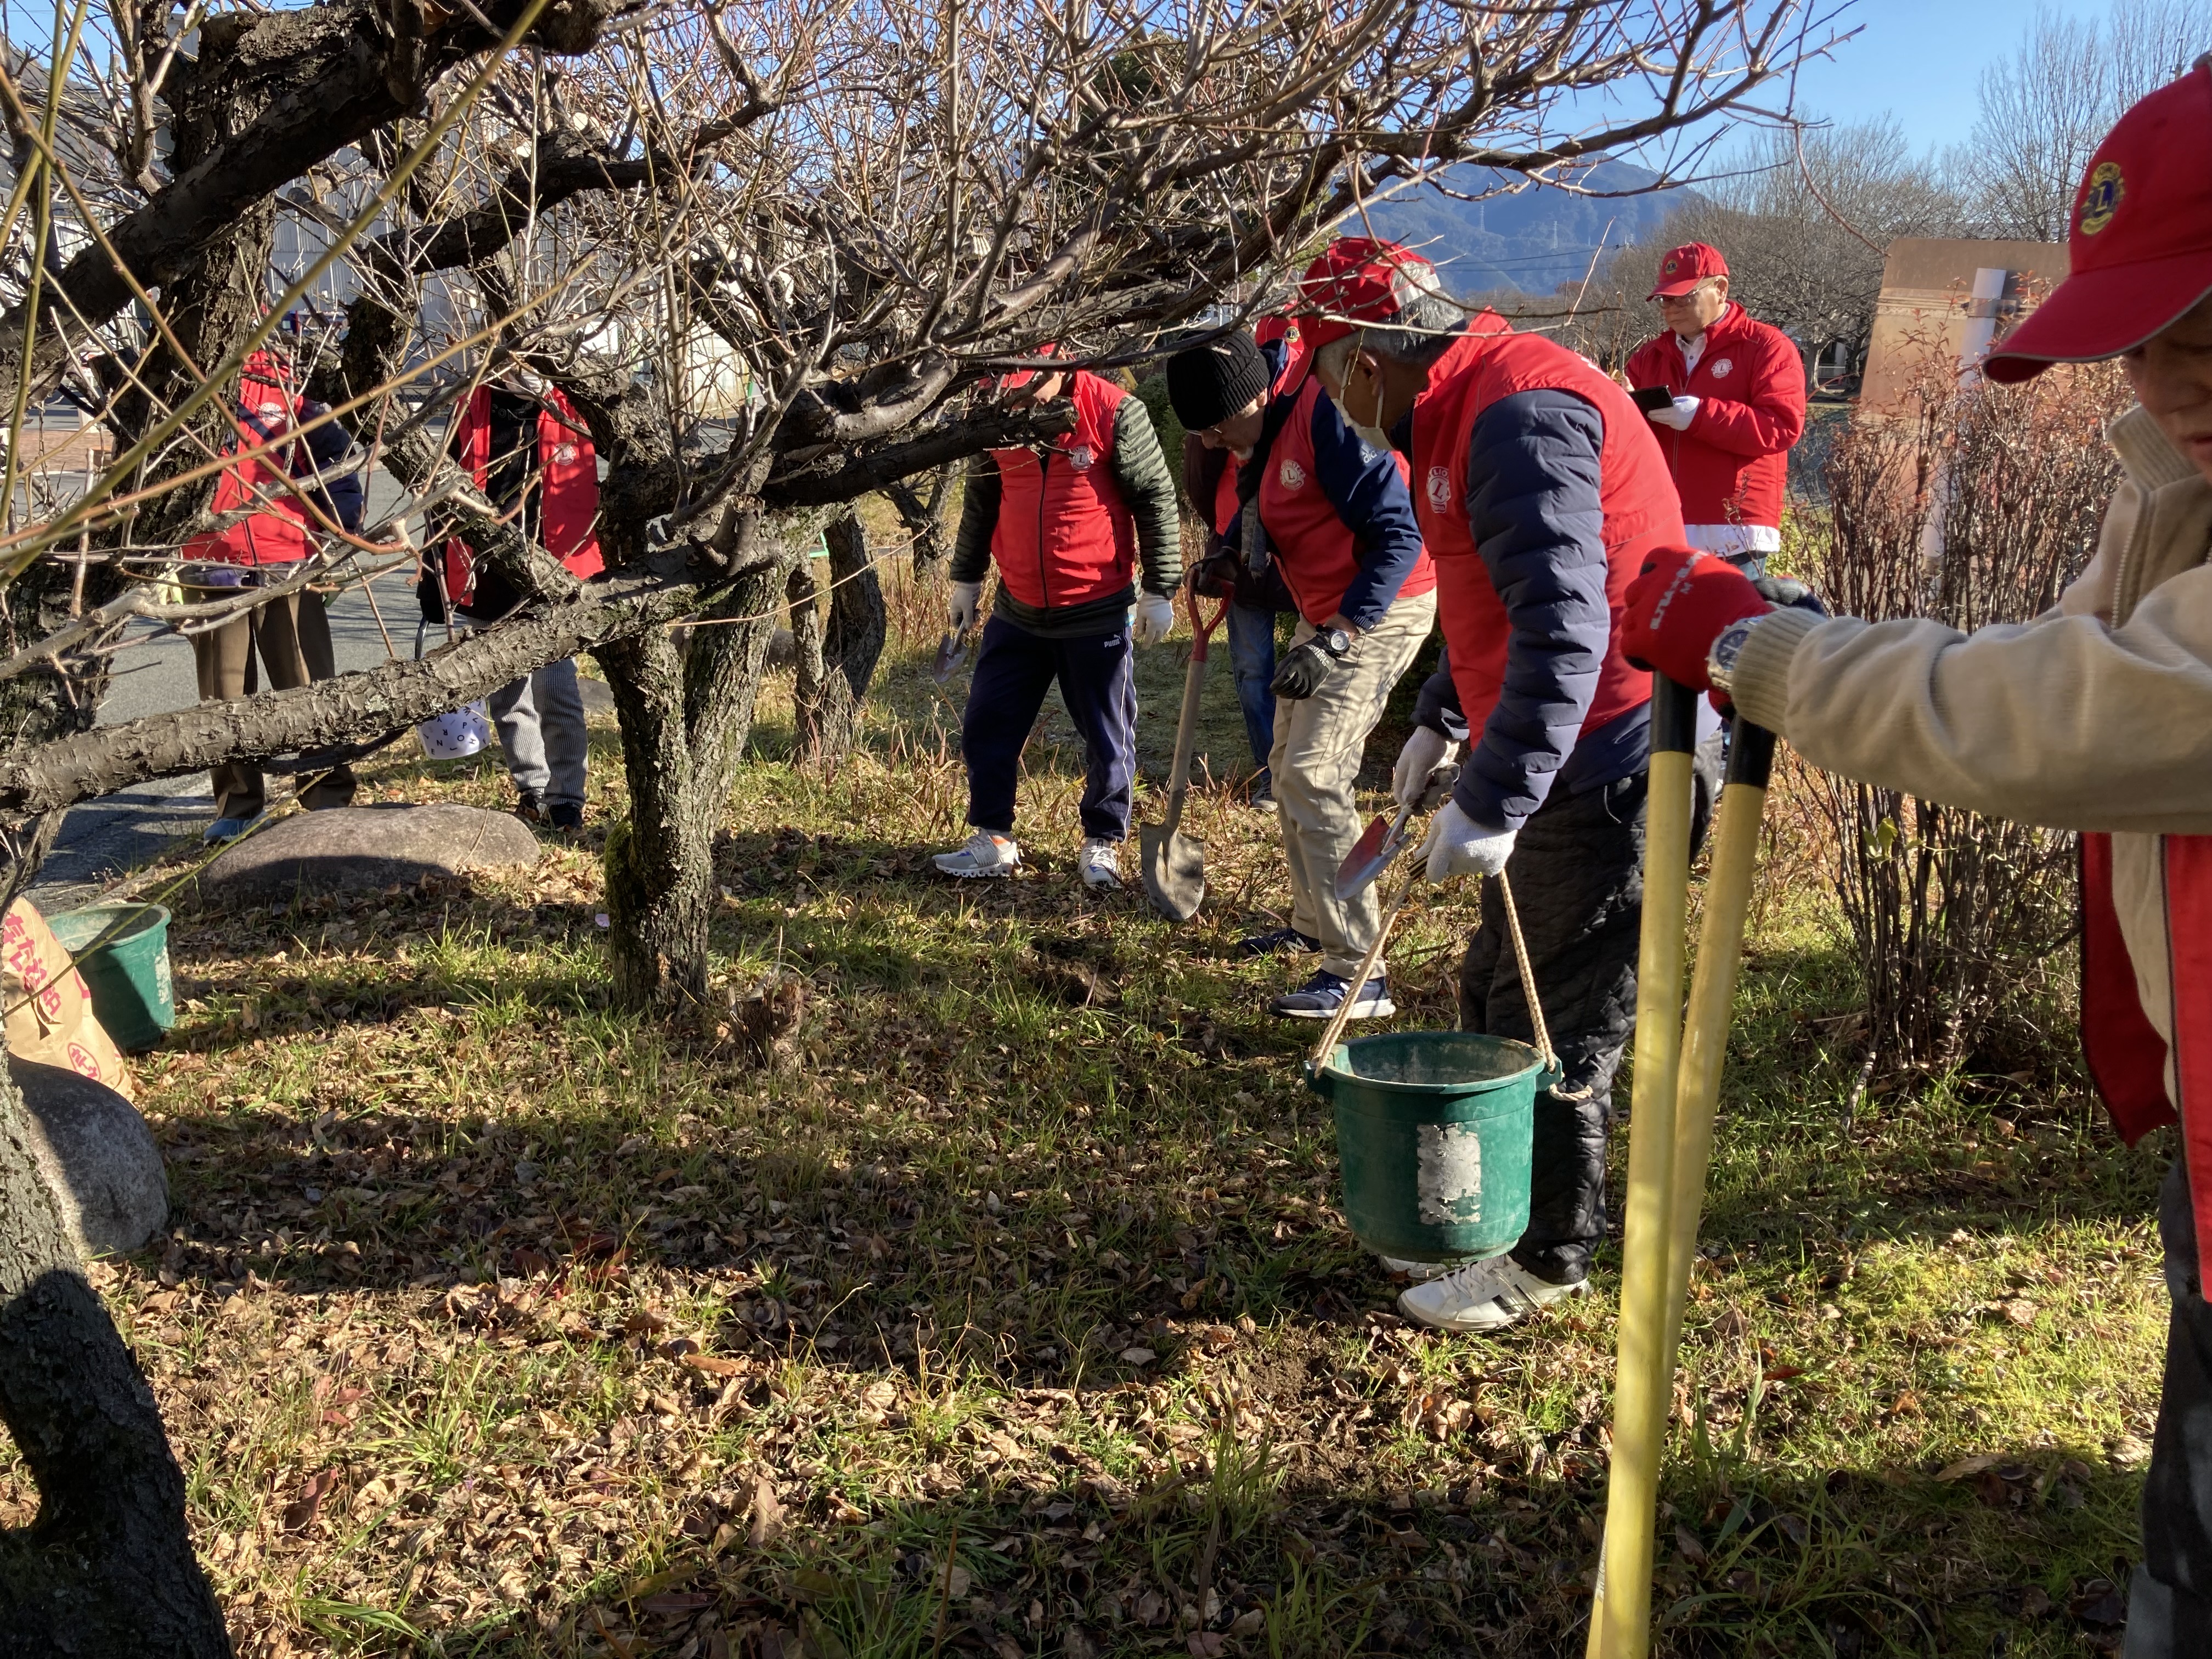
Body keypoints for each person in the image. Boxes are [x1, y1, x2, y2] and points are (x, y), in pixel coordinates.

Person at [1618, 60, 2212, 1651]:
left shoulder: (1753, 347)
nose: (2170, 384)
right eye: (2143, 340)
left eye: (2210, 333)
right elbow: (2046, 655)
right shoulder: (2184, 486)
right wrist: (1813, 647)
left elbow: (2081, 716)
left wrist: (1765, 651)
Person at [1296, 236, 1718, 1330]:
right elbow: (1492, 596)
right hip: (1553, 755)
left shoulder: (1516, 413)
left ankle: (1546, 1256)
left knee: (1560, 1023)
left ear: (1365, 363)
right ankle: (1488, 1216)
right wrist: (1442, 717)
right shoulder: (1456, 408)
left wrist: (1494, 799)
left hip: (1614, 760)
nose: (1338, 410)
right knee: (1494, 993)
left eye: (1331, 381)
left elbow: (1568, 631)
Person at [1166, 329, 1436, 1021]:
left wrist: (1340, 638)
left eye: (1217, 426)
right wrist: (1227, 552)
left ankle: (1358, 972)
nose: (1212, 442)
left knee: (1316, 774)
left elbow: (1400, 535)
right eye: (1201, 433)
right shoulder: (1256, 432)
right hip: (1325, 609)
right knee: (1287, 766)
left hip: (1382, 608)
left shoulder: (1325, 415)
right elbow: (1261, 501)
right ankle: (1314, 924)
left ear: (1252, 395)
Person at [935, 355, 1181, 890]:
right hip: (1018, 607)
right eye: (1008, 387)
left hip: (1096, 607)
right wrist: (967, 580)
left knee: (1108, 737)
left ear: (1059, 363)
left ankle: (1103, 841)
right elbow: (982, 499)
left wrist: (1161, 588)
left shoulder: (1116, 412)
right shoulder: (996, 411)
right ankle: (994, 838)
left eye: (1027, 387)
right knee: (988, 723)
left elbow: (1155, 499)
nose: (1018, 399)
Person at [182, 344, 368, 842]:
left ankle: (326, 793)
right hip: (209, 561)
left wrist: (339, 527)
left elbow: (336, 456)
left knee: (308, 683)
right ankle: (238, 804)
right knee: (223, 696)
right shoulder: (179, 380)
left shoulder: (289, 384)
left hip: (288, 555)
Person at [422, 377, 606, 830]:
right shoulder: (472, 405)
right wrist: (433, 575)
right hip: (488, 573)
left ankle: (566, 799)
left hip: (555, 572)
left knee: (557, 690)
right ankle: (532, 788)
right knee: (507, 696)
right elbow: (439, 500)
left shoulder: (574, 405)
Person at [1176, 323, 1305, 811]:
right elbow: (1199, 479)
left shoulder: (1301, 405)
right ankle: (1270, 774)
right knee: (1253, 670)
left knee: (1311, 664)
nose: (1215, 441)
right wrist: (1224, 541)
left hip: (1299, 556)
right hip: (1241, 552)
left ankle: (1305, 770)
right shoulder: (1217, 404)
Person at [1623, 242, 1805, 574]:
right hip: (1663, 522)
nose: (1670, 309)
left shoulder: (1767, 346)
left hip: (1735, 529)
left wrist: (1700, 416)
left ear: (1720, 289)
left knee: (1735, 610)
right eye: (1665, 300)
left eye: (1683, 297)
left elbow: (1782, 426)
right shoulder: (1648, 358)